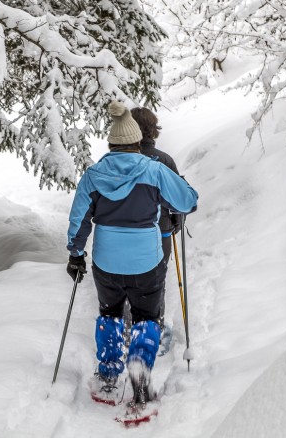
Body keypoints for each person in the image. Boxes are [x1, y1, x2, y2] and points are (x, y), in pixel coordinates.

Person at [66, 102, 198, 408]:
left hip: (106, 261)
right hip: (146, 261)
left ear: (111, 143)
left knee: (110, 313)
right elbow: (187, 202)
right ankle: (139, 373)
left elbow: (78, 219)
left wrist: (75, 254)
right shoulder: (155, 170)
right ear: (138, 141)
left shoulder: (94, 175)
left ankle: (109, 375)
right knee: (146, 317)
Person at [131, 106, 183, 271]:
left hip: (124, 232)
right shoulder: (165, 160)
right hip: (159, 230)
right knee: (155, 282)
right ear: (153, 129)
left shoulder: (118, 160)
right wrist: (178, 220)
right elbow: (178, 199)